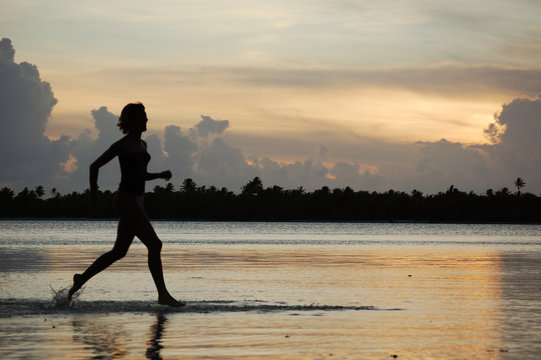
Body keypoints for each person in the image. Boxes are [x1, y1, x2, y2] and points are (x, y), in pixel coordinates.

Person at [68, 102, 184, 307]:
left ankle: (81, 279)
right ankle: (163, 294)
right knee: (155, 244)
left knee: (119, 252)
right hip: (125, 200)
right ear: (131, 120)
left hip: (137, 202)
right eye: (142, 116)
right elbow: (94, 166)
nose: (146, 119)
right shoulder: (123, 145)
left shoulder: (143, 145)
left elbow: (140, 175)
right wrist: (94, 195)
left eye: (146, 115)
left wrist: (158, 175)